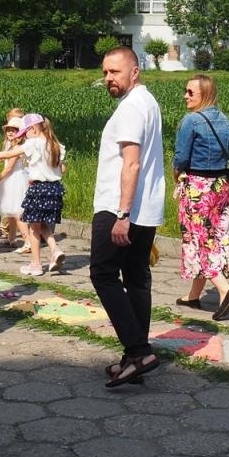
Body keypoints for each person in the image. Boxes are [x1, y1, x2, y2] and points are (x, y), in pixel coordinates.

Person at [92, 46, 167, 388]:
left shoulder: (131, 108)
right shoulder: (147, 102)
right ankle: (133, 359)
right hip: (145, 208)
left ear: (134, 72)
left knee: (103, 274)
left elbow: (132, 163)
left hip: (119, 207)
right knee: (136, 279)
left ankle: (138, 351)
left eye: (115, 72)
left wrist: (122, 214)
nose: (109, 78)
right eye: (105, 72)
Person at [172, 74, 229, 321]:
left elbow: (181, 157)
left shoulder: (191, 121)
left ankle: (225, 289)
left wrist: (175, 173)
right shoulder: (224, 119)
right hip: (220, 185)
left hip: (197, 187)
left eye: (191, 92)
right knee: (213, 237)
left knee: (197, 238)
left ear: (205, 94)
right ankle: (193, 296)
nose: (185, 96)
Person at [0, 113, 66, 276]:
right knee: (42, 224)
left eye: (25, 132)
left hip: (38, 189)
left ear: (33, 129)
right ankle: (55, 250)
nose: (25, 136)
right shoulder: (56, 145)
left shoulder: (33, 143)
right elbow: (62, 169)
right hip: (54, 189)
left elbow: (9, 154)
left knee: (34, 229)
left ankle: (36, 264)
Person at [0, 109, 29, 249]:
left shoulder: (17, 148)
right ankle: (12, 238)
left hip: (15, 181)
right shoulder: (12, 147)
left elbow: (9, 169)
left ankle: (28, 241)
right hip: (12, 180)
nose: (10, 132)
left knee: (17, 213)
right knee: (11, 212)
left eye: (14, 130)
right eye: (9, 130)